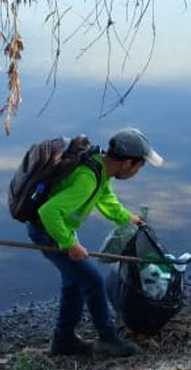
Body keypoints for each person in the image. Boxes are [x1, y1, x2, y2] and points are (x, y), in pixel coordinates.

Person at [27, 128, 164, 357]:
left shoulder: (99, 167)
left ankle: (64, 340)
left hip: (61, 228)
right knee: (92, 281)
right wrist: (69, 244)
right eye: (140, 166)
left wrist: (127, 218)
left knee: (74, 282)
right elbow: (48, 212)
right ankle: (108, 338)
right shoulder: (87, 180)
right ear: (128, 163)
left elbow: (105, 198)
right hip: (48, 231)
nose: (138, 171)